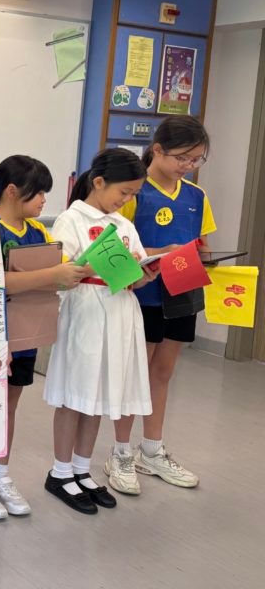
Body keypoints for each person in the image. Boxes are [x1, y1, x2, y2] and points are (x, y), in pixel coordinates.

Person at [0, 155, 88, 519]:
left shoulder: (39, 234)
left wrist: (76, 271)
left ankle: (0, 475)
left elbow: (55, 275)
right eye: (38, 194)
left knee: (10, 405)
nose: (44, 201)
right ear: (12, 191)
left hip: (25, 333)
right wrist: (51, 276)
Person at [43, 148, 158, 515]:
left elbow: (133, 273)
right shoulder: (71, 218)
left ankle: (82, 469)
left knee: (98, 394)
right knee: (75, 394)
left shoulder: (124, 225)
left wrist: (144, 274)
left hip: (120, 310)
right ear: (98, 182)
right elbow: (61, 270)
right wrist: (97, 262)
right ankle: (60, 472)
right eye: (123, 192)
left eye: (133, 195)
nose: (126, 201)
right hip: (86, 311)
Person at [105, 117, 214, 494]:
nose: (189, 166)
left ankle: (151, 450)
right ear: (157, 150)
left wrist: (205, 257)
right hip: (142, 295)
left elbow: (202, 244)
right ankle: (120, 452)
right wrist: (159, 252)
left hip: (182, 292)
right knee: (134, 374)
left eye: (196, 160)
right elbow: (113, 249)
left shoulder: (196, 197)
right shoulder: (133, 193)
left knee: (163, 373)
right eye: (182, 158)